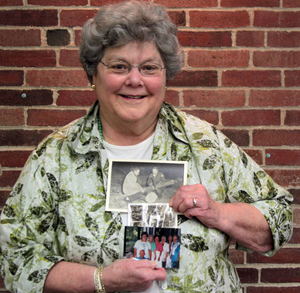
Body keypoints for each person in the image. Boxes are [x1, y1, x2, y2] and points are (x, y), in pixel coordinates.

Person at [0, 1, 293, 293]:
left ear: (166, 75)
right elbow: (15, 259)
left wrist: (218, 213)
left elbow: (279, 220)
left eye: (149, 67)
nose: (135, 80)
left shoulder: (206, 145)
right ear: (93, 75)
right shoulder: (56, 156)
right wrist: (101, 280)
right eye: (119, 66)